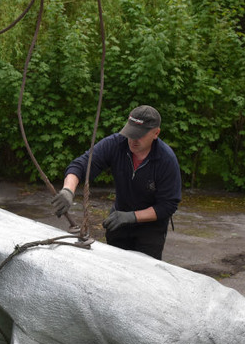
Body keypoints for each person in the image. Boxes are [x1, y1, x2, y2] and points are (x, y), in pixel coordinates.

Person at [51, 105, 182, 260]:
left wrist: (132, 216)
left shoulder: (166, 160)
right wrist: (68, 190)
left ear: (156, 133)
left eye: (139, 135)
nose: (133, 139)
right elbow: (81, 165)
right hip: (118, 222)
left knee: (144, 273)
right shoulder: (116, 144)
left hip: (151, 229)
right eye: (130, 133)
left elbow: (168, 206)